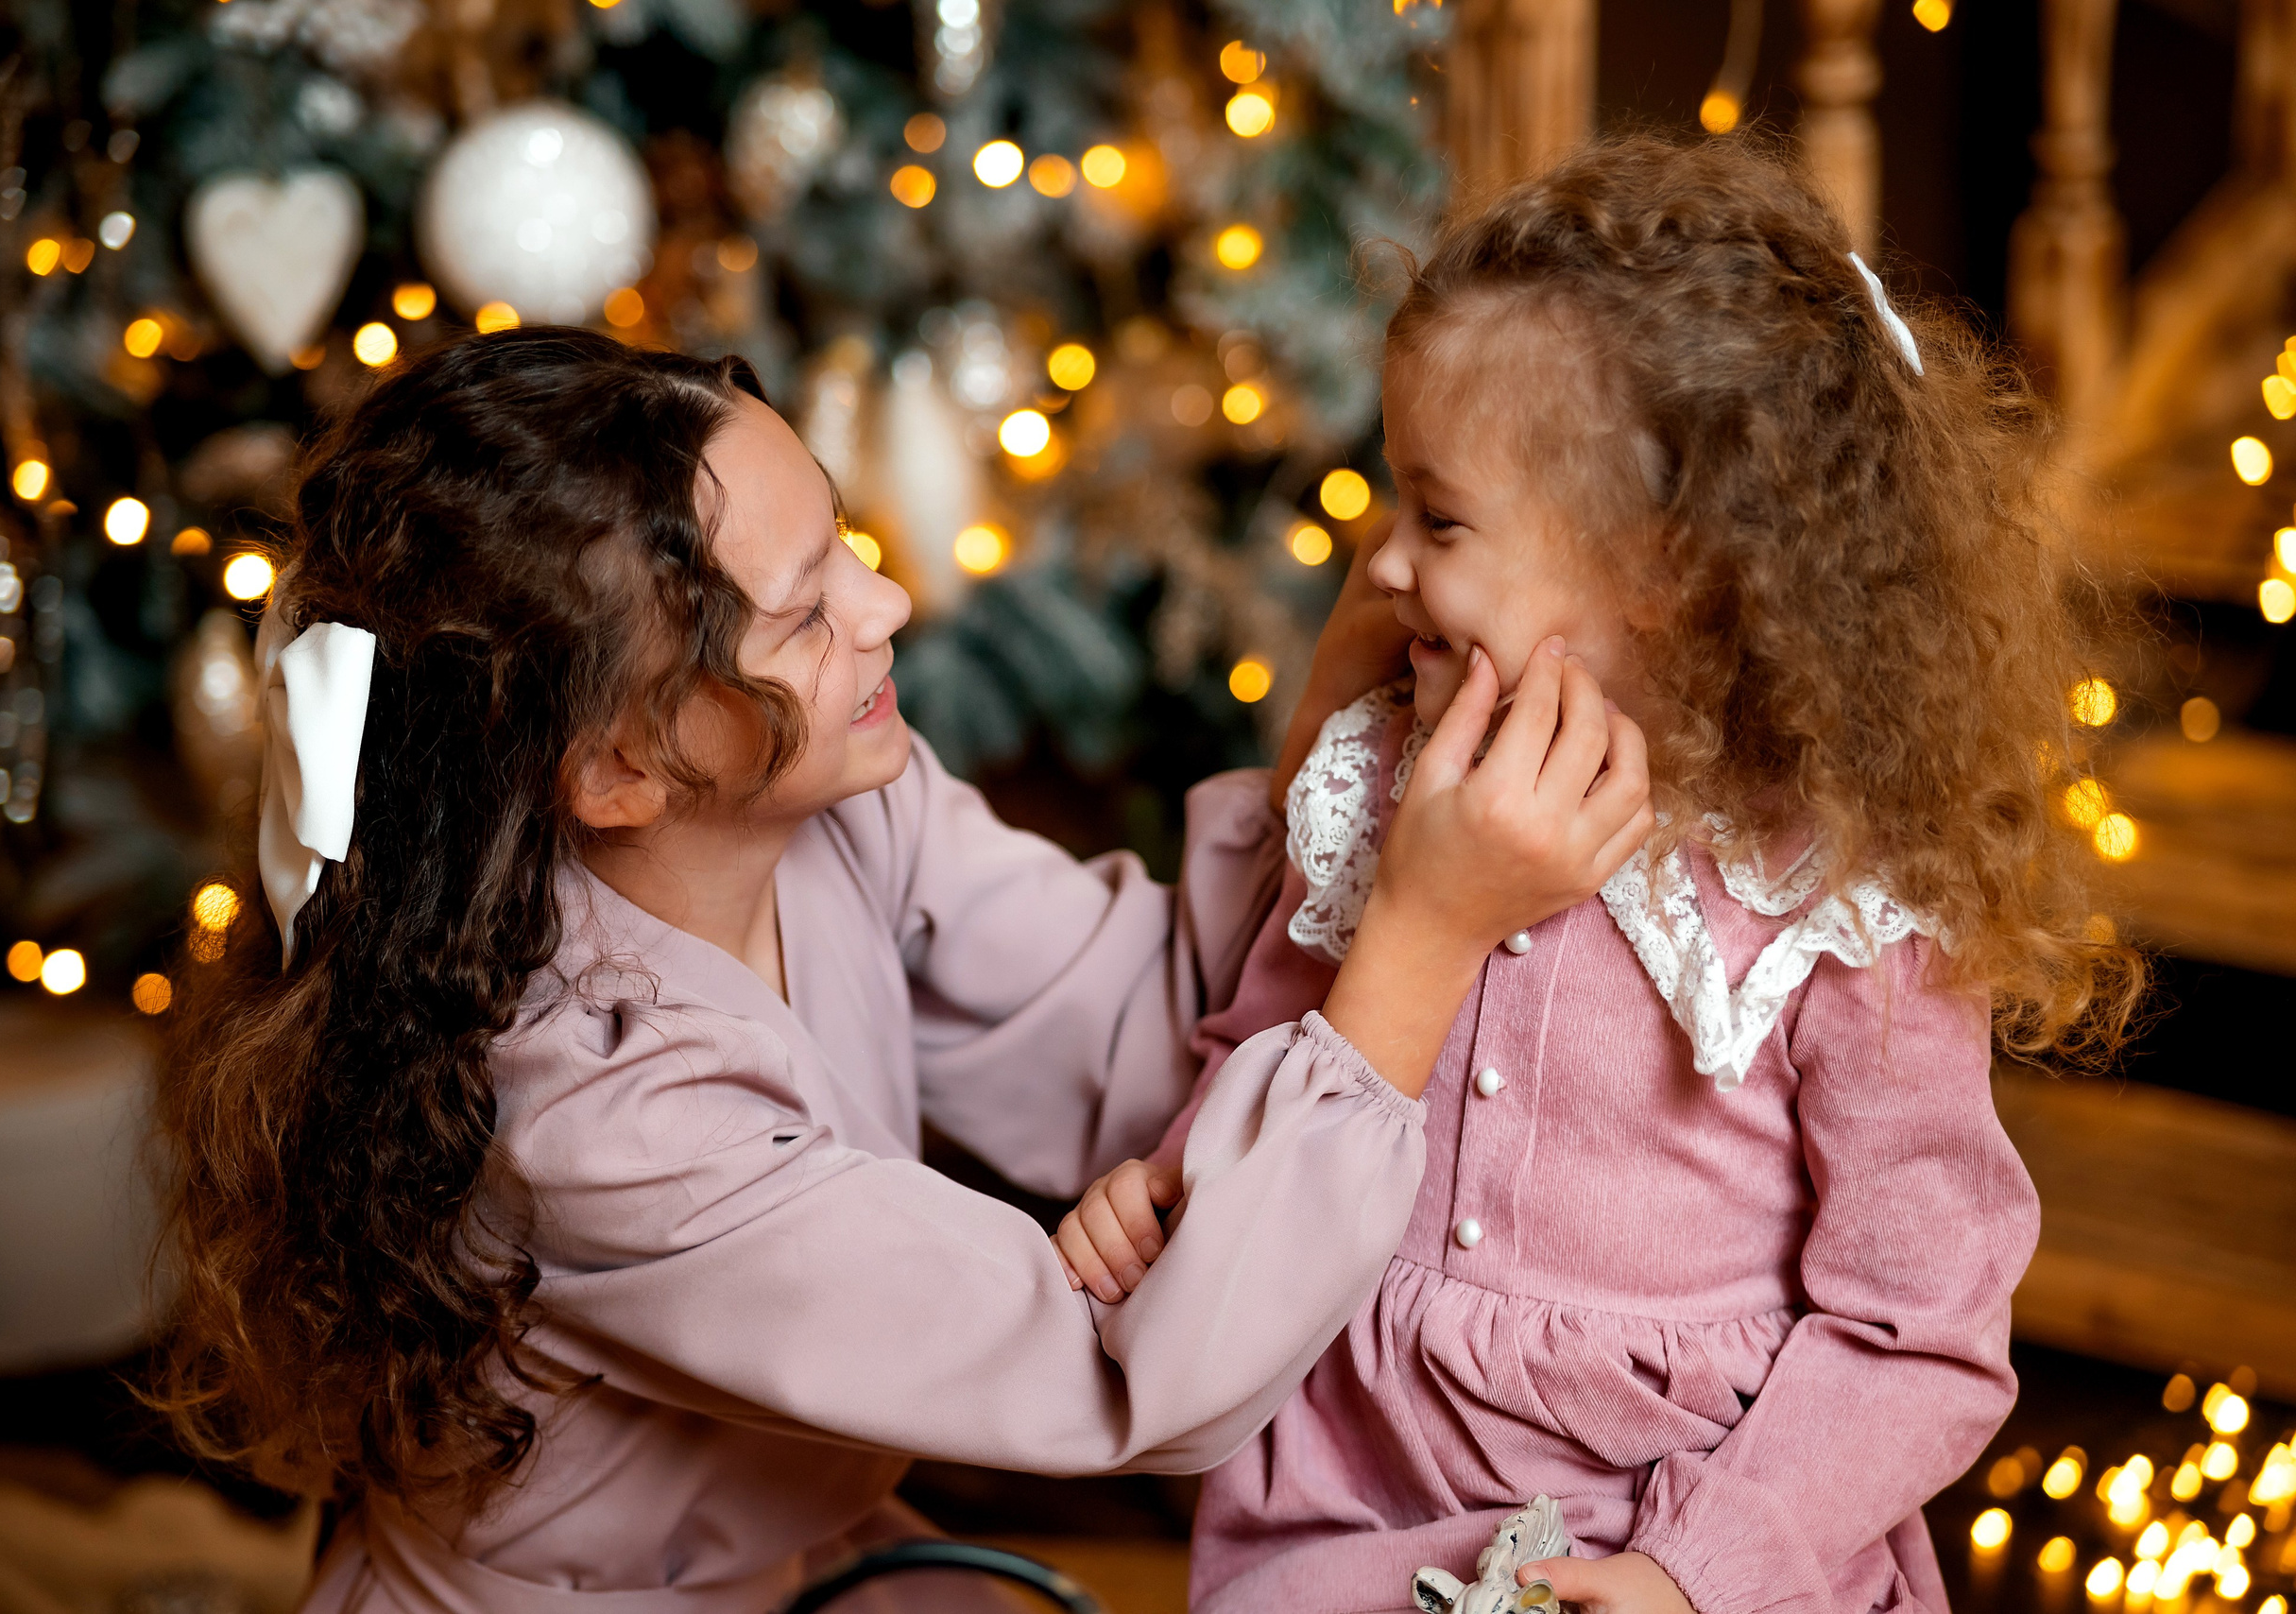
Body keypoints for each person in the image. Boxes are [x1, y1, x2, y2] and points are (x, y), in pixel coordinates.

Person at [147, 329, 1654, 1614]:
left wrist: (1334, 719)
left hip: (804, 1554)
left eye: (847, 551)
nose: (888, 610)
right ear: (619, 766)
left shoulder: (841, 800)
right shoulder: (594, 1114)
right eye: (807, 615)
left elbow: (1137, 1017)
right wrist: (1428, 939)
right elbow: (1130, 1383)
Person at [1057, 137, 2145, 1614]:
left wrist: (1697, 1572)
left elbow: (1920, 1330)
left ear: (1668, 568)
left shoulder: (1834, 904)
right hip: (1350, 1495)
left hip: (1686, 1545)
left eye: (1439, 521)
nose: (1381, 566)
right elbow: (1277, 1050)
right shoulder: (1388, 778)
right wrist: (1174, 1179)